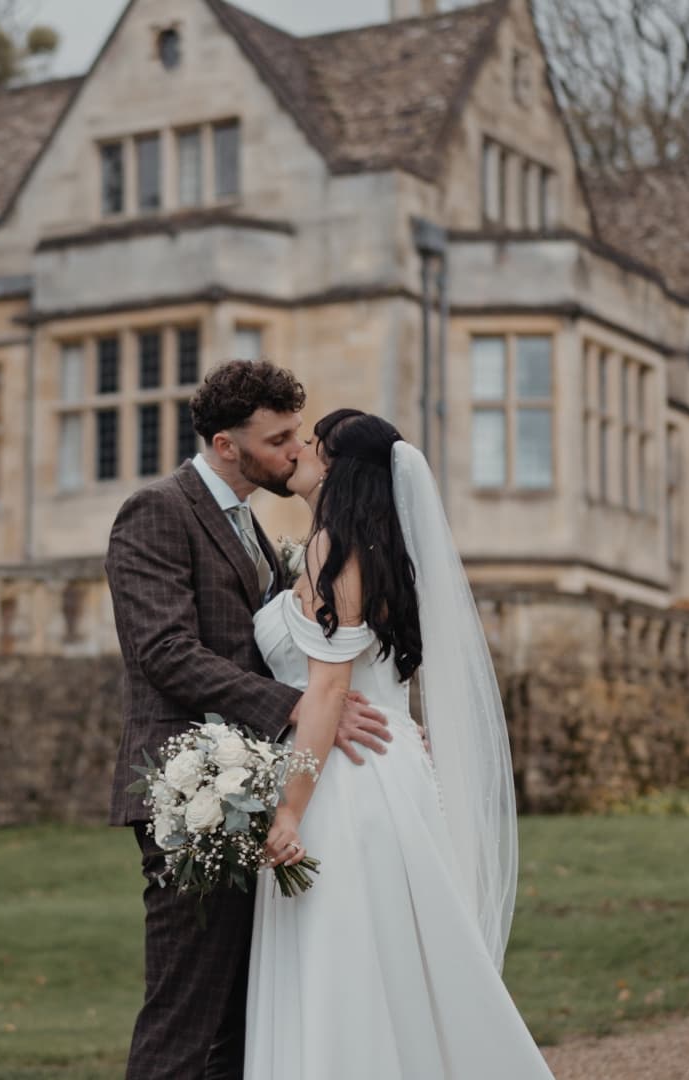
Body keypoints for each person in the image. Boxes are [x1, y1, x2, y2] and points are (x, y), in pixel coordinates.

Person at [245, 409, 553, 1079]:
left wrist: (290, 810)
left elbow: (329, 691)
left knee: (344, 962)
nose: (299, 452)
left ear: (337, 467)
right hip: (393, 772)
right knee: (396, 960)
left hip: (346, 782)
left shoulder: (333, 548)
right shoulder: (387, 552)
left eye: (312, 444)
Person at [105, 362, 392, 1080]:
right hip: (190, 790)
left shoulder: (254, 525)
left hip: (257, 784)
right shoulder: (156, 511)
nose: (297, 451)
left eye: (297, 434)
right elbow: (165, 652)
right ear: (226, 445)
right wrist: (301, 707)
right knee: (186, 1015)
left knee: (242, 1020)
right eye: (279, 439)